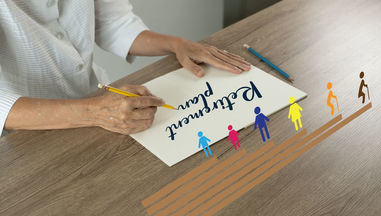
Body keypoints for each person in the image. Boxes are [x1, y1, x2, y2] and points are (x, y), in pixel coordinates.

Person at [0, 1, 251, 137]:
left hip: (100, 110)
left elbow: (112, 22)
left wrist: (176, 44)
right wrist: (94, 112)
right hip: (23, 136)